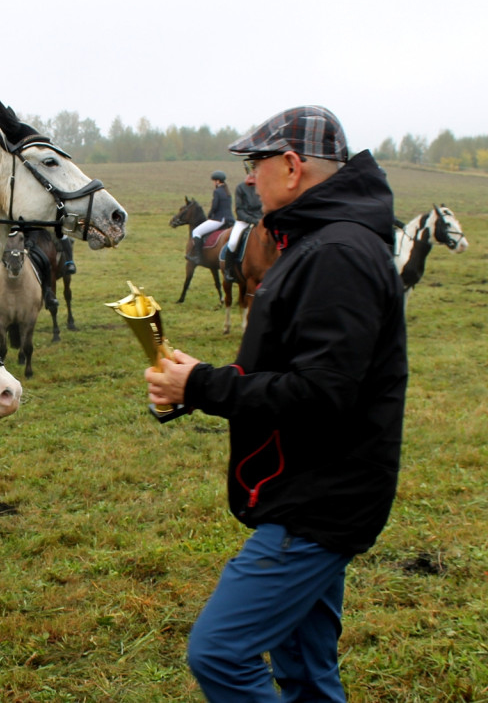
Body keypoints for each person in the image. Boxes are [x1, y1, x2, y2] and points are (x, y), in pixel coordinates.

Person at [145, 106, 407, 702]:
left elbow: (320, 394)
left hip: (316, 501)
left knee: (220, 652)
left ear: (291, 167)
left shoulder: (336, 253)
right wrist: (195, 385)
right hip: (317, 488)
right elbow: (296, 370)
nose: (249, 178)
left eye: (255, 164)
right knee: (309, 675)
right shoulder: (318, 244)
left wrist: (206, 386)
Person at [188, 170, 233, 264]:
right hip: (230, 219)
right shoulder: (227, 192)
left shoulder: (217, 191)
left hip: (219, 219)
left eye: (214, 181)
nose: (213, 183)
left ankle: (198, 257)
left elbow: (215, 206)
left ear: (217, 181)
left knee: (196, 232)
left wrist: (210, 215)